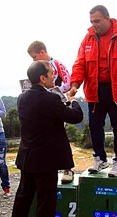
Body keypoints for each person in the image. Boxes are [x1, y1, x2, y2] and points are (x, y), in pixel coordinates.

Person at [68, 5, 117, 177]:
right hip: (94, 90)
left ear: (107, 18)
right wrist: (75, 84)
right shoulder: (88, 38)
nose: (94, 25)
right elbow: (79, 63)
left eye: (97, 21)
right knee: (95, 126)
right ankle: (100, 159)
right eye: (91, 22)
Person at [8, 60, 83, 217]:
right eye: (51, 73)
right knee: (46, 202)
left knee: (23, 198)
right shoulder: (50, 99)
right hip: (46, 161)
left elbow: (48, 113)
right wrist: (73, 101)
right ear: (43, 78)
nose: (54, 76)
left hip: (27, 158)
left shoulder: (22, 98)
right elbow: (75, 117)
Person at [27, 40, 74, 183]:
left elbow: (68, 82)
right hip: (40, 104)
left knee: (60, 135)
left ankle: (68, 168)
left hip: (56, 104)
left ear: (42, 52)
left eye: (34, 57)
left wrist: (54, 90)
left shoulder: (58, 65)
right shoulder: (36, 67)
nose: (33, 60)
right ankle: (43, 165)